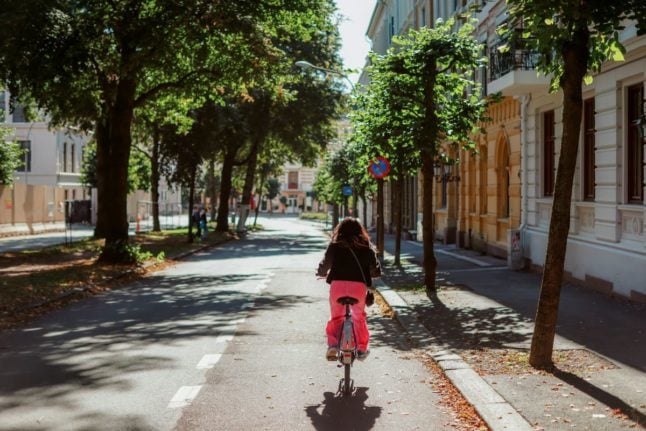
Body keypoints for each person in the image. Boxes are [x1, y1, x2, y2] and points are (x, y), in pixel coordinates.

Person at [316, 217, 381, 361]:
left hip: (337, 286)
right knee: (359, 317)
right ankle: (362, 349)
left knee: (336, 317)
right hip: (358, 288)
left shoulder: (334, 246)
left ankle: (332, 345)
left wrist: (321, 272)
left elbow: (325, 264)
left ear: (340, 230)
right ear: (360, 231)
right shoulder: (366, 247)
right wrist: (371, 273)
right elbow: (376, 270)